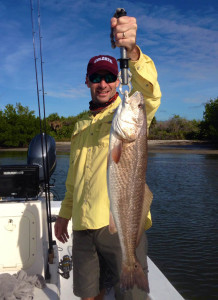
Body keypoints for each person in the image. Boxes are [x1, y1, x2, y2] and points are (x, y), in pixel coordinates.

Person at [55, 15, 161, 300]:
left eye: (110, 77)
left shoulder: (126, 117)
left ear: (118, 81)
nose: (103, 84)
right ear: (87, 81)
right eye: (96, 77)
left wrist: (132, 52)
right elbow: (73, 181)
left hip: (119, 224)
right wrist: (64, 215)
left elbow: (149, 98)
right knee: (89, 293)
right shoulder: (79, 126)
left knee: (131, 295)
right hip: (82, 226)